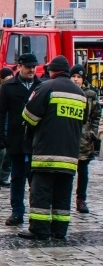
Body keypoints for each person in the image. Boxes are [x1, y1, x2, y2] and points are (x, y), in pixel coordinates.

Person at [19, 55, 85, 240]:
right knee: (63, 195)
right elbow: (84, 121)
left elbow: (28, 116)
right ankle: (59, 231)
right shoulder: (80, 94)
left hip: (46, 153)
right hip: (70, 155)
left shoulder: (46, 87)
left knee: (41, 192)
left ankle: (39, 230)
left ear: (52, 71)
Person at [0, 53, 40, 225]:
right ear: (19, 67)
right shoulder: (8, 87)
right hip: (16, 139)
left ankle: (36, 212)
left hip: (36, 141)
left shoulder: (40, 85)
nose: (32, 70)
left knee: (35, 179)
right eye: (28, 67)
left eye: (34, 67)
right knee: (17, 177)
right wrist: (0, 137)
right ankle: (17, 212)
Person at [70, 64, 100, 213]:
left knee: (83, 170)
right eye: (73, 76)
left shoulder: (90, 94)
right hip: (68, 136)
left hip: (84, 139)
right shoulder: (66, 91)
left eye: (79, 77)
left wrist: (92, 132)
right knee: (67, 171)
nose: (76, 80)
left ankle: (81, 199)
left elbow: (96, 115)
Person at [0, 67, 14, 189]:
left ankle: (4, 178)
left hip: (10, 127)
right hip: (1, 126)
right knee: (0, 155)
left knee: (8, 157)